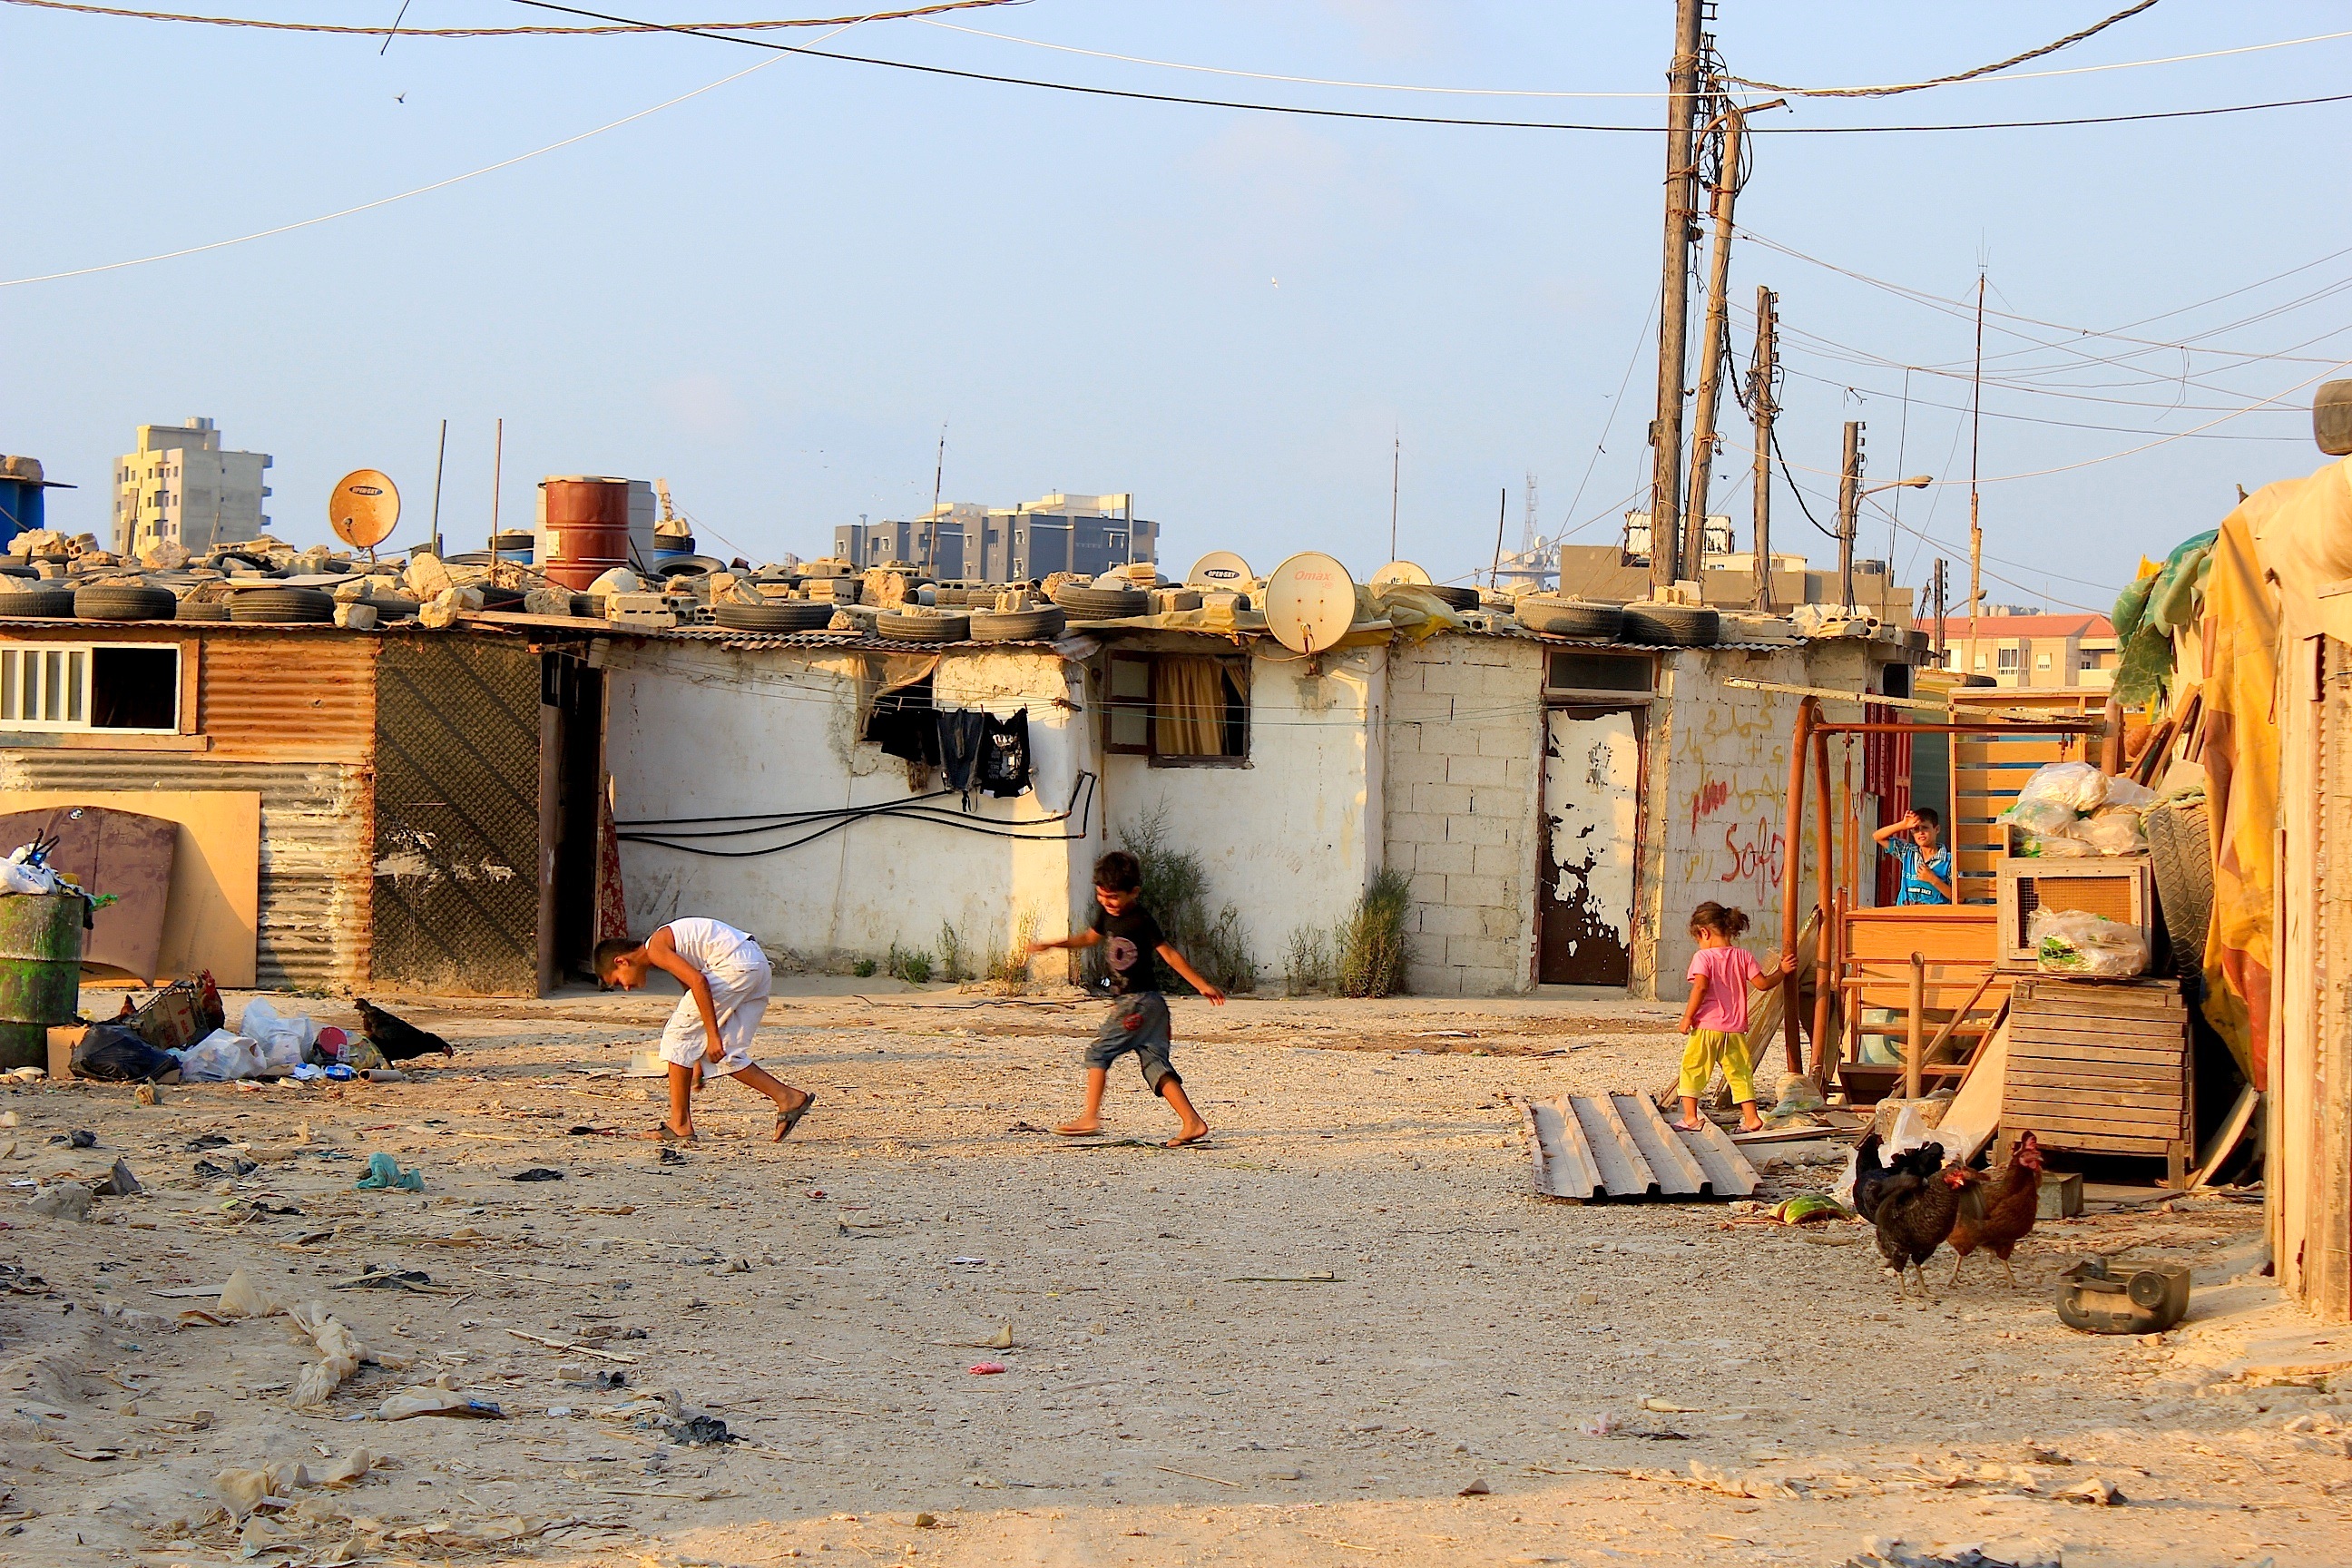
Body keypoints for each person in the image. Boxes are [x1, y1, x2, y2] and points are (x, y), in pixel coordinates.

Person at [1026, 849, 1221, 1147]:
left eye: (1114, 897)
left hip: (1138, 1003)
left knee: (1098, 1053)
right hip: (1152, 1006)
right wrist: (1055, 944)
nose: (1107, 902)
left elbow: (1167, 953)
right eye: (1101, 896)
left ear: (1134, 893)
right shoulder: (1106, 915)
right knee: (1155, 1065)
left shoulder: (1141, 919)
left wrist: (1201, 984)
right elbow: (1089, 939)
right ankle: (1192, 1122)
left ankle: (1090, 1117)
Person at [594, 919, 815, 1143]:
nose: (627, 987)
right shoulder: (663, 949)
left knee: (677, 1037)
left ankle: (679, 1124)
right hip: (756, 964)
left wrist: (711, 1035)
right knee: (725, 1053)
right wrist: (696, 1054)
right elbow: (691, 991)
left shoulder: (656, 948)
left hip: (733, 966)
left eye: (619, 980)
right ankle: (787, 1097)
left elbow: (699, 982)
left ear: (621, 961)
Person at [1676, 902, 1797, 1134]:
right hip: (1734, 1029)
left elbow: (1700, 988)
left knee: (1693, 1069)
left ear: (1704, 933)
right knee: (1740, 1074)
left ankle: (1690, 1117)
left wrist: (1687, 1017)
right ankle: (1751, 1119)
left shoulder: (1703, 958)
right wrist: (1782, 971)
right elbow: (1762, 984)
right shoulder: (1743, 956)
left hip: (1707, 1027)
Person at [1874, 807, 1955, 906]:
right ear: (1912, 832)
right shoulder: (1908, 852)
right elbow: (1877, 836)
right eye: (1916, 829)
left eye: (1925, 828)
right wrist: (1902, 825)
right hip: (1904, 917)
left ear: (1936, 829)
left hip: (1933, 918)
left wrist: (1933, 879)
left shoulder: (1950, 861)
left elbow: (1959, 898)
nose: (1920, 832)